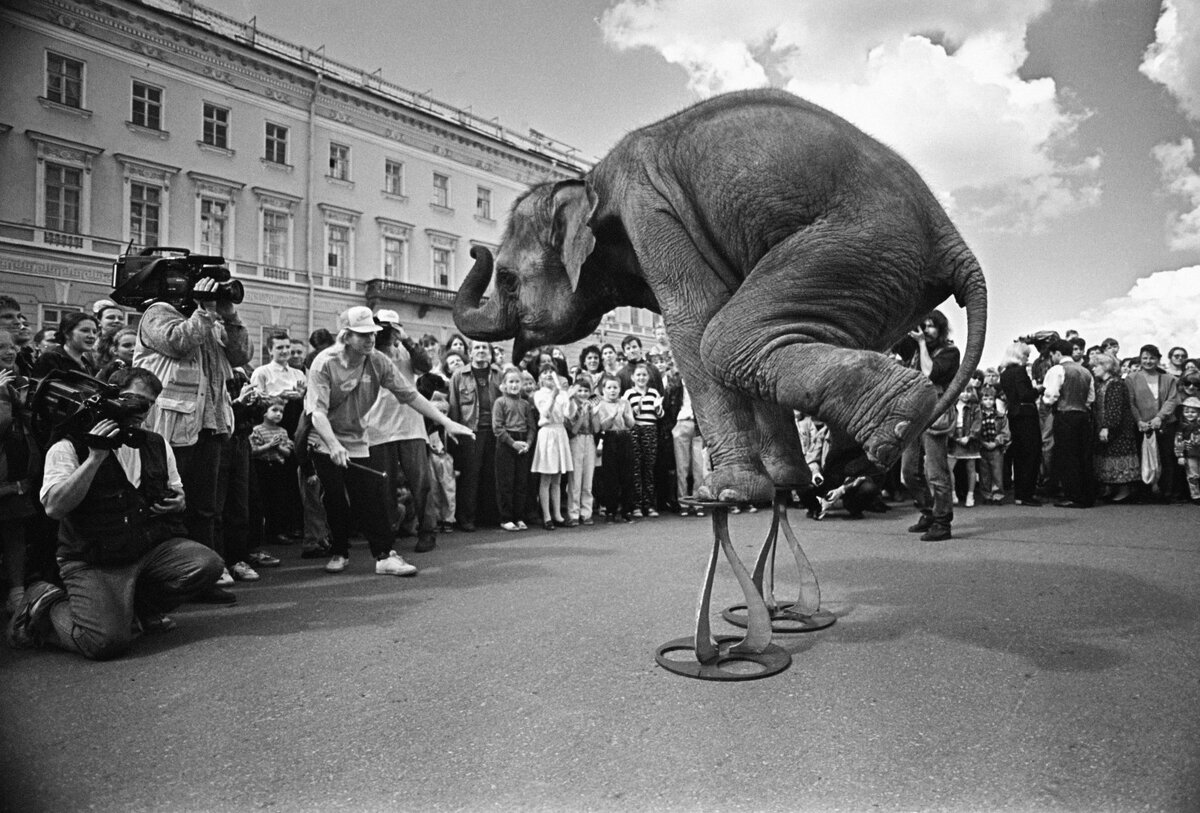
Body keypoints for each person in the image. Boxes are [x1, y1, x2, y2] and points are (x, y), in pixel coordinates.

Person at [8, 367, 224, 659]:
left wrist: (177, 502)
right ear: (110, 396)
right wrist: (95, 458)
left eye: (147, 404)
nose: (139, 409)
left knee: (205, 564)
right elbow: (55, 507)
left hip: (145, 549)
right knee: (104, 643)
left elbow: (178, 493)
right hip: (93, 558)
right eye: (131, 399)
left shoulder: (155, 443)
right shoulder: (69, 445)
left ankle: (140, 610)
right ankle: (43, 606)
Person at [306, 307, 473, 576]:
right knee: (336, 498)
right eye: (363, 335)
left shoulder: (377, 361)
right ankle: (339, 551)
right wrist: (334, 445)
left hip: (358, 436)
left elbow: (410, 394)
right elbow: (317, 413)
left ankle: (384, 556)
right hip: (324, 437)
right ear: (346, 336)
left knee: (370, 497)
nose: (371, 339)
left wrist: (446, 422)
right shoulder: (324, 363)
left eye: (372, 333)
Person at [134, 276, 250, 605]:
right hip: (173, 425)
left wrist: (228, 314)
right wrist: (205, 310)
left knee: (206, 508)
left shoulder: (211, 317)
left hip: (211, 422)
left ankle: (204, 579)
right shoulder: (158, 313)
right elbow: (177, 341)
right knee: (171, 504)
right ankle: (165, 579)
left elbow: (241, 354)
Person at [363, 310, 438, 552]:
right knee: (383, 486)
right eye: (382, 327)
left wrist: (406, 339)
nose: (386, 333)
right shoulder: (368, 354)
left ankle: (428, 531)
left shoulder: (407, 352)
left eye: (390, 328)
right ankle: (387, 531)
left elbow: (426, 366)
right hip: (377, 428)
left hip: (410, 427)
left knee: (421, 484)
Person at [902, 310, 961, 541]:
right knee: (908, 472)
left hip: (936, 414)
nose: (926, 330)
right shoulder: (915, 349)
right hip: (913, 414)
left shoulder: (950, 352)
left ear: (942, 329)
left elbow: (930, 373)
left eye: (931, 326)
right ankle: (928, 512)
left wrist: (921, 345)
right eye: (923, 325)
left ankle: (942, 522)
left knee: (936, 472)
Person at [447, 340, 503, 532]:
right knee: (471, 476)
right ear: (470, 353)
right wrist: (455, 431)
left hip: (495, 431)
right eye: (477, 348)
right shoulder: (458, 375)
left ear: (490, 353)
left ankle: (488, 517)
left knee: (491, 474)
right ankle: (466, 518)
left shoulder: (498, 374)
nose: (481, 351)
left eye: (484, 348)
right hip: (471, 432)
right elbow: (454, 406)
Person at [0, 332, 38, 615]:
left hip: (17, 471)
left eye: (11, 345)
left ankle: (17, 591)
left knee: (15, 531)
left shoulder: (19, 379)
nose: (9, 351)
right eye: (1, 346)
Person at [1042, 338, 1095, 508]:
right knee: (1083, 455)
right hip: (1083, 415)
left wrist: (1045, 401)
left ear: (1057, 353)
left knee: (1067, 456)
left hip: (1065, 415)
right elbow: (1091, 398)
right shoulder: (1085, 371)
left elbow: (1051, 396)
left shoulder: (1057, 369)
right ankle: (1087, 494)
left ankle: (1073, 495)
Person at [1125, 344, 1180, 501]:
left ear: (1158, 359)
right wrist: (1139, 421)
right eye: (1145, 358)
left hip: (1165, 423)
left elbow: (1172, 399)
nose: (1148, 361)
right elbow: (1131, 402)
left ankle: (1165, 492)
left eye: (1152, 358)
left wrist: (1159, 417)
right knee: (1142, 457)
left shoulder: (1169, 379)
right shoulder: (1132, 378)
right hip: (1142, 425)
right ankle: (1144, 492)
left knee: (1166, 457)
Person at [530, 363, 574, 530]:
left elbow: (569, 414)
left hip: (560, 431)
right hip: (547, 433)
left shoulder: (562, 393)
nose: (548, 374)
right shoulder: (539, 394)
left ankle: (557, 515)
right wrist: (554, 396)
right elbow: (545, 413)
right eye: (545, 372)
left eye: (551, 372)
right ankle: (546, 516)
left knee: (557, 478)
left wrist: (568, 398)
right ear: (540, 377)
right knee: (546, 477)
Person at [1090, 352, 1139, 503]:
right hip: (1104, 426)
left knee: (1118, 456)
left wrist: (1107, 427)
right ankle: (1111, 489)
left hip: (1119, 430)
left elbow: (1114, 408)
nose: (1093, 368)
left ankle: (1124, 491)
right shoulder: (1101, 384)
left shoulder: (1116, 384)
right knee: (1106, 456)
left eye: (1096, 365)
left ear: (1106, 367)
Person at [492, 367, 534, 532]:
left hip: (523, 443)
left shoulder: (525, 404)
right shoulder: (500, 402)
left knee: (521, 482)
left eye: (517, 382)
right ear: (504, 385)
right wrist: (512, 443)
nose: (514, 385)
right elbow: (497, 427)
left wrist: (528, 443)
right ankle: (506, 518)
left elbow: (531, 426)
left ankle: (519, 516)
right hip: (506, 444)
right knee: (506, 482)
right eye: (511, 382)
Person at [594, 374, 636, 522]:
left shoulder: (625, 403)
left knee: (627, 475)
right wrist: (611, 416)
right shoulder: (600, 404)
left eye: (615, 387)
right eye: (609, 387)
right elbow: (600, 427)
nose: (612, 391)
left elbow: (631, 424)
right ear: (603, 389)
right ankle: (610, 511)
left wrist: (624, 415)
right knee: (610, 476)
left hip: (624, 437)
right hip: (609, 438)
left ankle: (627, 510)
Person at [565, 371, 599, 526]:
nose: (583, 394)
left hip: (589, 440)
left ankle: (586, 512)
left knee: (588, 479)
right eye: (580, 390)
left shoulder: (591, 405)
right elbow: (572, 430)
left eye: (586, 391)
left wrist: (594, 414)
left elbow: (597, 429)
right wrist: (582, 416)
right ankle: (573, 513)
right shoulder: (571, 406)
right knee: (575, 479)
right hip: (576, 440)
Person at [672, 380, 708, 515]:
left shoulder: (699, 385)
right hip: (681, 423)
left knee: (699, 467)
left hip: (698, 426)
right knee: (682, 467)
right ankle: (683, 503)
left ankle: (698, 502)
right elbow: (669, 406)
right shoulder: (675, 385)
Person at [33, 312, 100, 378]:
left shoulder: (87, 364)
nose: (92, 336)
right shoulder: (51, 359)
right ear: (67, 333)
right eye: (85, 330)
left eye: (94, 332)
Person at [948, 387, 982, 507]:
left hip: (969, 439)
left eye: (968, 391)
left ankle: (970, 495)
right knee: (949, 468)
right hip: (954, 437)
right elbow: (948, 421)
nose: (965, 394)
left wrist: (970, 437)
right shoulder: (951, 405)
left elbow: (977, 423)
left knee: (971, 468)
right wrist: (952, 436)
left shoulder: (975, 407)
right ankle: (952, 494)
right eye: (962, 391)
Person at [977, 386, 1010, 504]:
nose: (988, 402)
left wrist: (996, 442)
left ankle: (997, 495)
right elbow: (975, 430)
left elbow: (1005, 433)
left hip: (996, 448)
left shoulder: (1001, 416)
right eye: (985, 399)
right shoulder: (978, 415)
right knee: (984, 473)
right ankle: (986, 495)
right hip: (982, 447)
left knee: (997, 473)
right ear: (981, 400)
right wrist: (983, 442)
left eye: (991, 399)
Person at [1174, 396, 1200, 504]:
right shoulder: (1182, 427)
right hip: (1190, 454)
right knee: (1193, 475)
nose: (1190, 414)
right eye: (1187, 412)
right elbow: (1179, 441)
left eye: (1193, 412)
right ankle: (1196, 496)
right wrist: (1180, 455)